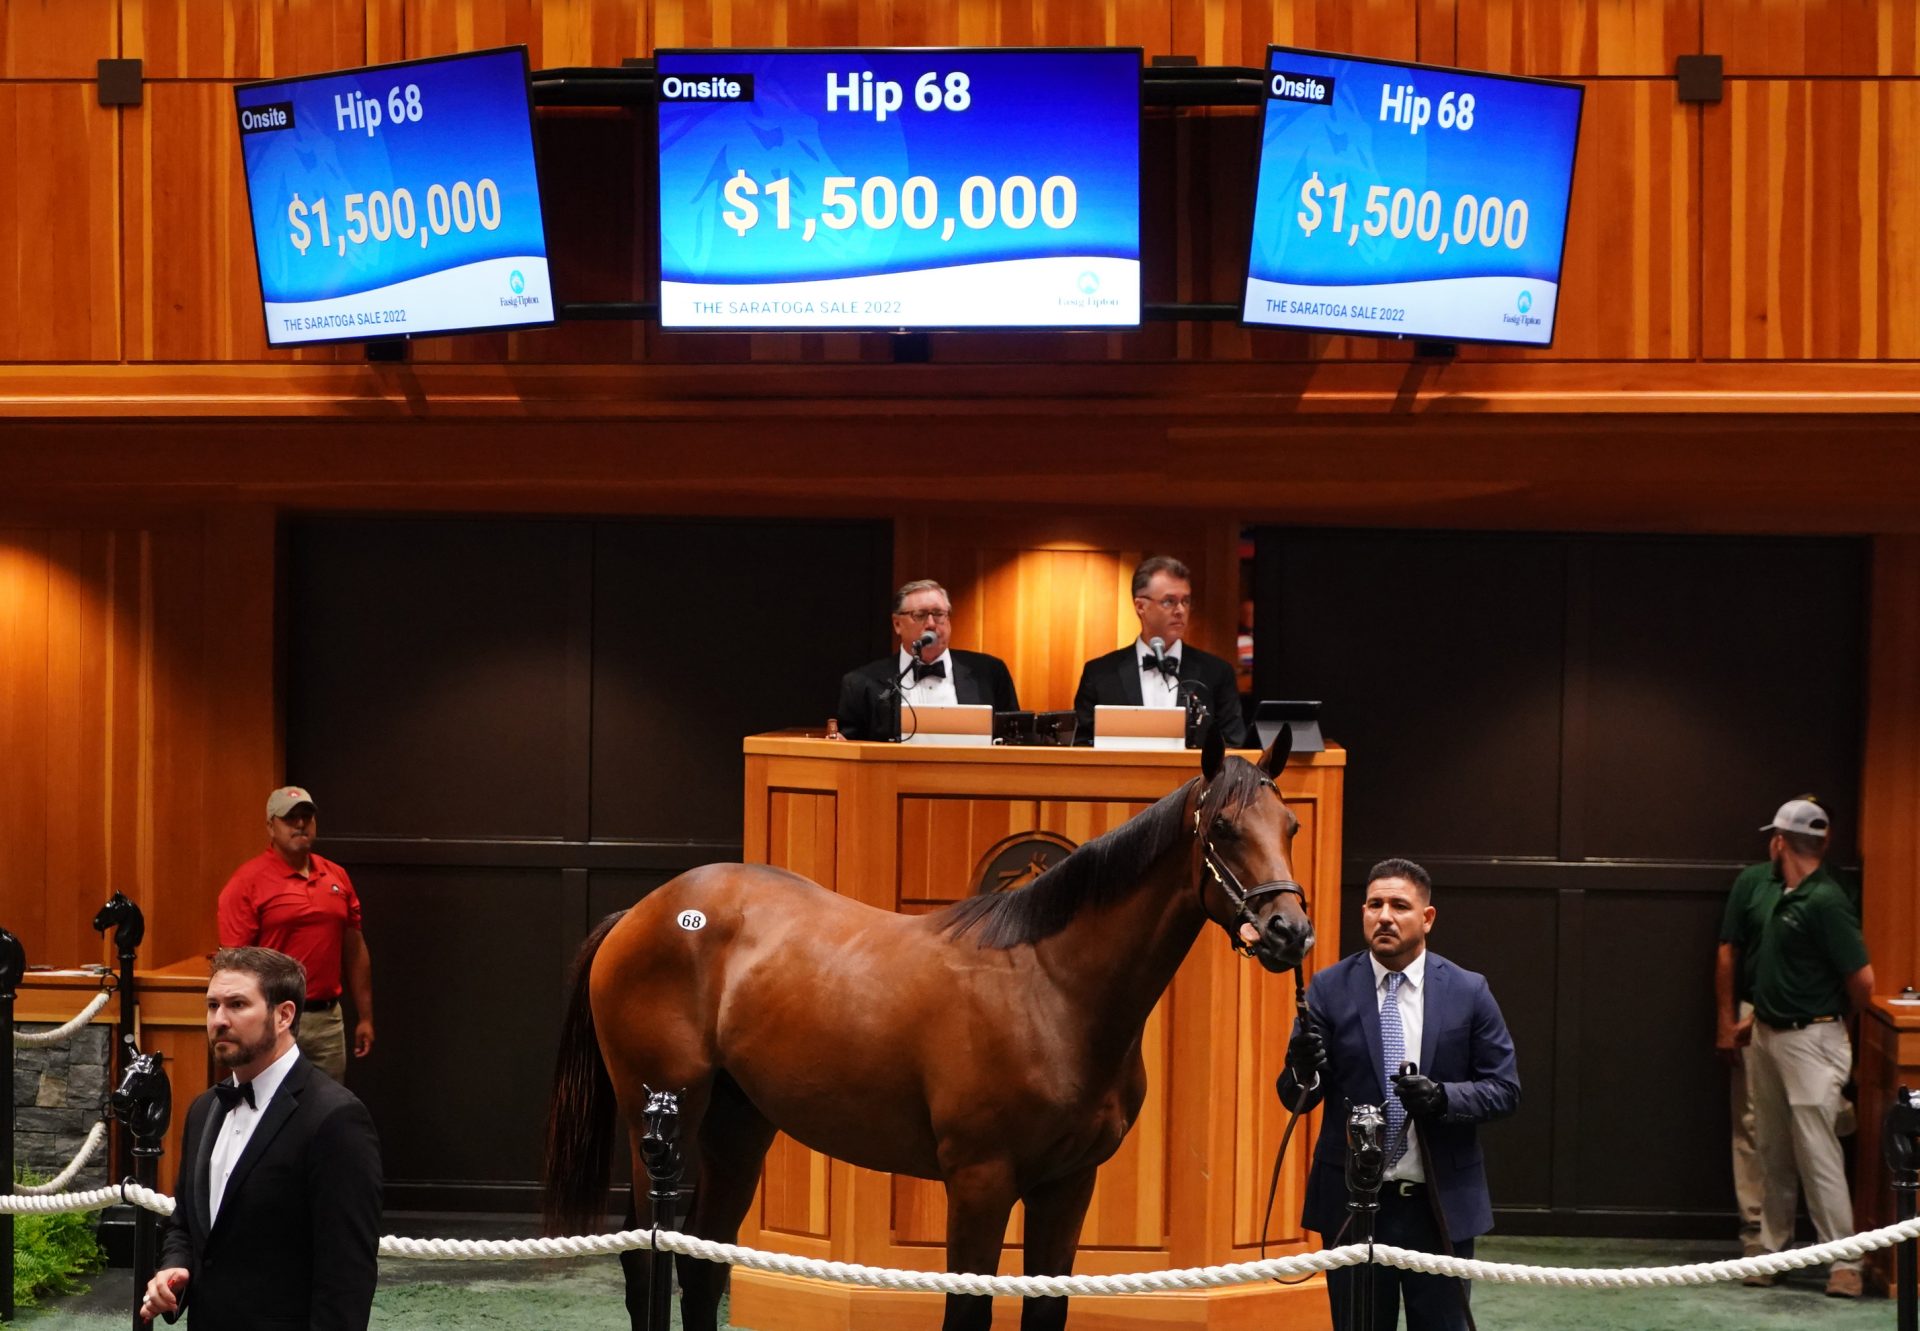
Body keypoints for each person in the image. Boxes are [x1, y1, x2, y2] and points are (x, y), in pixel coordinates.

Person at [1278, 858, 1520, 1331]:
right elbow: (1297, 1097)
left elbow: (1505, 1089)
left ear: (1426, 918)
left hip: (1439, 1206)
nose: (1384, 915)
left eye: (1399, 905)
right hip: (1355, 1204)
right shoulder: (1329, 988)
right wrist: (1302, 1067)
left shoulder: (1469, 991)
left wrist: (1443, 1099)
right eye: (1374, 904)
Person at [141, 946, 381, 1328]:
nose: (219, 1020)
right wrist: (175, 1269)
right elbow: (184, 1224)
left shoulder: (336, 1119)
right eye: (212, 1005)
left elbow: (347, 1277)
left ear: (284, 1015)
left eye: (237, 1005)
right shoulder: (204, 1110)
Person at [1721, 798, 1872, 1298]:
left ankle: (1844, 1261)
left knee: (1817, 1152)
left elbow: (1863, 982)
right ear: (1822, 842)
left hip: (1812, 1037)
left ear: (1780, 841)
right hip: (1766, 1034)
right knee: (1773, 1147)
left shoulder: (1826, 900)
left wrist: (1831, 1025)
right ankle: (1772, 1249)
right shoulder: (1784, 892)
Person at [217, 787, 374, 1081]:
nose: (300, 824)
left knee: (327, 1111)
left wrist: (365, 1016)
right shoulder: (247, 882)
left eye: (306, 817)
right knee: (269, 1107)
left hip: (327, 1020)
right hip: (272, 1019)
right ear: (270, 826)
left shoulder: (336, 876)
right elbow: (233, 965)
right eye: (290, 818)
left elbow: (354, 947)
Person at [1072, 555, 1249, 747]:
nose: (1180, 610)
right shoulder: (1100, 673)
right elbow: (1082, 747)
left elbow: (1234, 745)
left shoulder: (1217, 673)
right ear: (1141, 606)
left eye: (1186, 601)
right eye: (1169, 601)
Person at [833, 579, 1018, 739]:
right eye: (920, 615)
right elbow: (850, 747)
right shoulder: (860, 682)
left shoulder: (990, 672)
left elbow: (1015, 738)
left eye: (938, 614)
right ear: (897, 624)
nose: (931, 624)